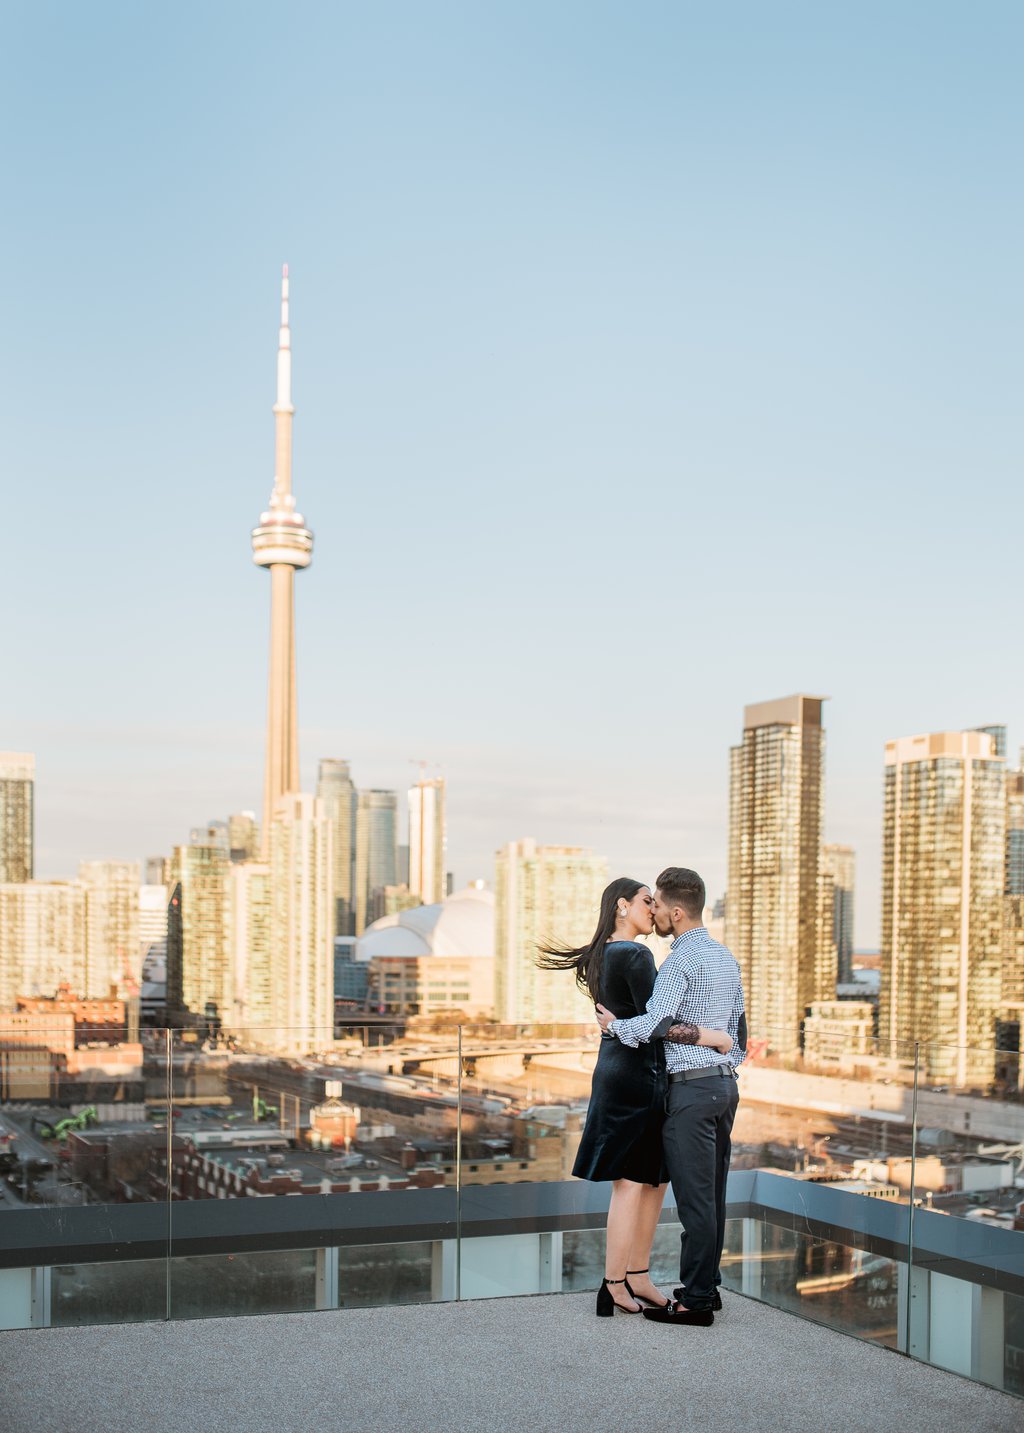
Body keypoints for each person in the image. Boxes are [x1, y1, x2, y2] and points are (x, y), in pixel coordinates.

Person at [538, 877, 733, 1317]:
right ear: (622, 906)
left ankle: (638, 1275)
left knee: (652, 1180)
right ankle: (613, 1283)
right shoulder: (636, 953)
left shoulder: (603, 954)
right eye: (646, 901)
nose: (652, 908)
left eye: (656, 902)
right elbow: (658, 1022)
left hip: (625, 1072)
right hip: (637, 1077)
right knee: (632, 1184)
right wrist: (715, 1034)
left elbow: (638, 1019)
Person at [597, 866, 746, 1327]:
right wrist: (718, 1045)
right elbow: (738, 1038)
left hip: (692, 1092)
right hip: (725, 1087)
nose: (654, 912)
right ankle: (707, 1288)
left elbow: (654, 1025)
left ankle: (697, 1301)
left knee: (695, 1202)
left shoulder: (679, 960)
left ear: (676, 912)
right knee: (714, 1198)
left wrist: (614, 1026)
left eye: (657, 905)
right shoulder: (726, 958)